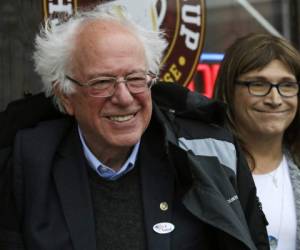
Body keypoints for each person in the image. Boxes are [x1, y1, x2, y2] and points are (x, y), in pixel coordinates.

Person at [0, 3, 269, 250]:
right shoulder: (27, 163)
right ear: (65, 96)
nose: (124, 97)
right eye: (101, 82)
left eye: (136, 78)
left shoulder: (206, 152)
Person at [214, 33, 300, 250]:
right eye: (258, 84)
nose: (275, 99)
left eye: (287, 85)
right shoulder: (206, 170)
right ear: (229, 90)